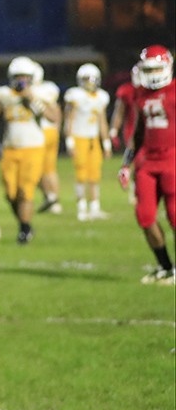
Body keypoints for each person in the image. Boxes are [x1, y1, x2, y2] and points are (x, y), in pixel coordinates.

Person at [0, 56, 61, 244]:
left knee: (26, 190)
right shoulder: (5, 95)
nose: (20, 81)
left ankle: (24, 230)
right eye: (17, 77)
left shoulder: (39, 94)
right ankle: (25, 224)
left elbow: (53, 116)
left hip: (33, 147)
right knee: (10, 193)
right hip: (10, 149)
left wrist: (32, 100)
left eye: (24, 77)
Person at [118, 45, 176, 285]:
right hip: (148, 163)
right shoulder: (140, 94)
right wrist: (126, 163)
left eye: (155, 69)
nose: (151, 75)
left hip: (173, 160)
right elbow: (139, 132)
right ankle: (165, 268)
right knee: (145, 216)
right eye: (148, 69)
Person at [63, 63, 111, 221]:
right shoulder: (75, 96)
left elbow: (102, 121)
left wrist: (106, 143)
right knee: (81, 174)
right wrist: (69, 141)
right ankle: (81, 208)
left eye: (92, 79)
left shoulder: (101, 97)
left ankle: (95, 207)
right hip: (79, 138)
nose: (90, 83)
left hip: (93, 139)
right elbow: (68, 120)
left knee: (95, 174)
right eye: (86, 79)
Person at [32, 62, 63, 215]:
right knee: (50, 170)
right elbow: (57, 111)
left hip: (40, 133)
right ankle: (53, 200)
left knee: (37, 169)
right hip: (52, 132)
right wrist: (58, 128)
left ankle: (51, 198)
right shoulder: (48, 89)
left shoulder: (32, 91)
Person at [110, 64, 141, 204]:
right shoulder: (127, 90)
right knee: (137, 160)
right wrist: (113, 130)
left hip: (155, 130)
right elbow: (119, 111)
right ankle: (136, 190)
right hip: (132, 129)